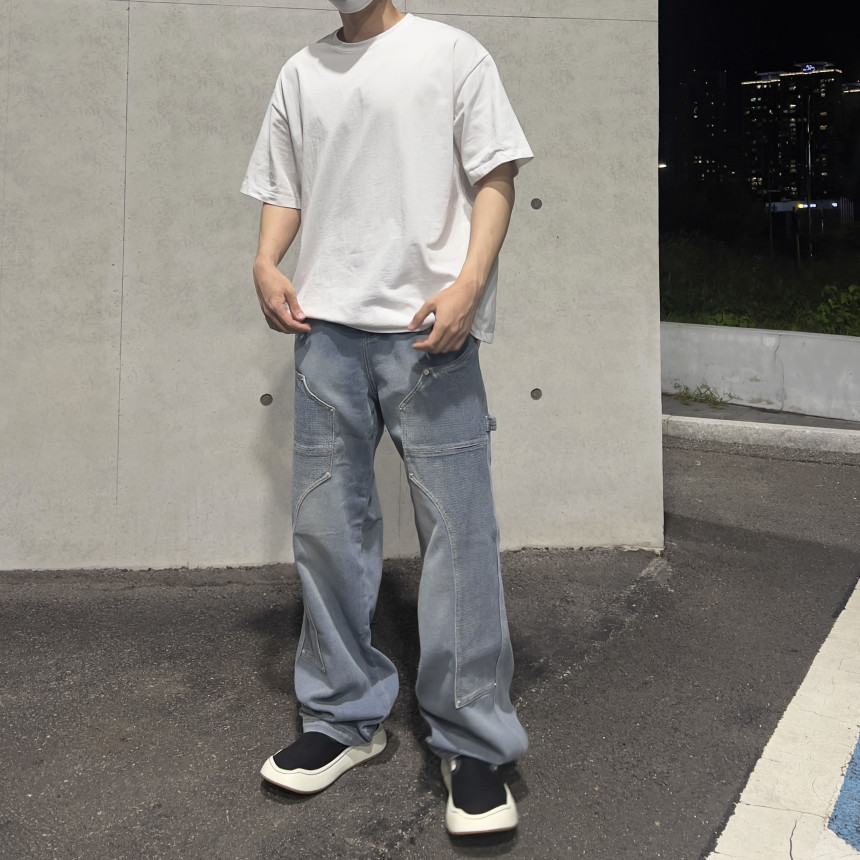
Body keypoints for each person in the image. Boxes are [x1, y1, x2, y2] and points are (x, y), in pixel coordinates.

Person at [241, 0, 533, 836]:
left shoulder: (452, 53)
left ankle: (472, 744)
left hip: (429, 330)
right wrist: (265, 261)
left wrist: (469, 285)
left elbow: (497, 176)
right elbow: (284, 186)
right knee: (327, 533)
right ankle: (341, 717)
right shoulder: (302, 72)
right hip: (325, 331)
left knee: (459, 536)